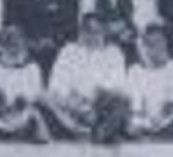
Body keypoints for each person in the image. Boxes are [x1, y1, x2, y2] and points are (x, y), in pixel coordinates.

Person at [43, 13, 129, 142]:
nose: (92, 36)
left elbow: (118, 84)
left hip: (99, 107)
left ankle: (99, 132)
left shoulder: (114, 53)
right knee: (43, 96)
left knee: (121, 101)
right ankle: (76, 129)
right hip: (70, 107)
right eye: (88, 30)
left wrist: (91, 98)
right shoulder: (68, 51)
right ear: (81, 31)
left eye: (97, 31)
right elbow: (56, 83)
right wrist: (71, 100)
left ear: (104, 32)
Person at [7, 0, 78, 79]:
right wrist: (26, 41)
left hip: (54, 51)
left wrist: (54, 40)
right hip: (25, 51)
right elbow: (11, 23)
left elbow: (69, 25)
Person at [0, 26, 51, 142]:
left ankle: (23, 131)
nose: (14, 47)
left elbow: (36, 92)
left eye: (17, 42)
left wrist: (23, 99)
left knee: (33, 113)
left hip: (20, 111)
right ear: (4, 45)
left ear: (23, 44)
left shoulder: (32, 67)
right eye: (9, 42)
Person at [125, 25, 173, 141]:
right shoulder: (135, 70)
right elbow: (134, 107)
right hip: (144, 125)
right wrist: (144, 123)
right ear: (144, 47)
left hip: (170, 124)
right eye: (150, 44)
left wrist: (159, 120)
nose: (156, 48)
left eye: (159, 42)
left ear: (165, 44)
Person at [79, 0, 138, 64]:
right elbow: (86, 19)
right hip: (101, 38)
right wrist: (102, 27)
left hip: (123, 37)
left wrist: (127, 30)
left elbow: (134, 19)